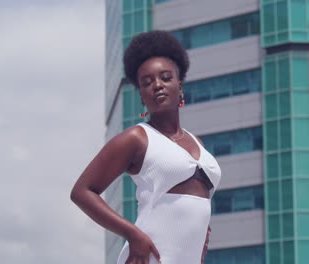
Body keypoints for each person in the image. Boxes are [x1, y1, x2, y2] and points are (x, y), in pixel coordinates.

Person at [70, 30, 221, 264]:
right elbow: (82, 192)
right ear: (142, 96)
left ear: (179, 87)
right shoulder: (137, 138)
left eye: (165, 78)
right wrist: (133, 235)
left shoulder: (196, 142)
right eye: (147, 83)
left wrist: (204, 236)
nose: (157, 86)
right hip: (149, 257)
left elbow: (196, 204)